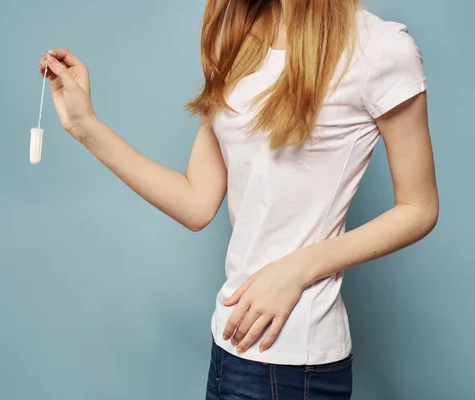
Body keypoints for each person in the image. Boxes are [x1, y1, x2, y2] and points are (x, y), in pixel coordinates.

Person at [39, 1, 439, 398]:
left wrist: (297, 268)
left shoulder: (379, 49)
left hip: (294, 361)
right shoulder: (241, 46)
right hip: (228, 346)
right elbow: (195, 202)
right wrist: (85, 126)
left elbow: (419, 208)